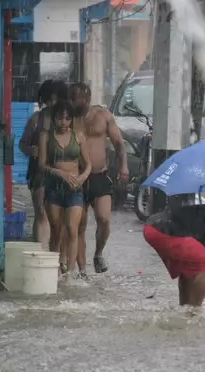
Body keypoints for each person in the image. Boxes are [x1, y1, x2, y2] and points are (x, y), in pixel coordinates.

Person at [69, 83, 129, 274]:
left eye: (75, 97)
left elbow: (119, 143)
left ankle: (98, 254)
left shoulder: (103, 116)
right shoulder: (68, 119)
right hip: (77, 177)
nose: (72, 101)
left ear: (86, 98)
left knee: (104, 219)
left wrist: (123, 167)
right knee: (79, 225)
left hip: (99, 176)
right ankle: (82, 271)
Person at [38, 100, 92, 280]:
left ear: (71, 120)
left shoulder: (79, 136)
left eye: (67, 119)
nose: (64, 122)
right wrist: (58, 172)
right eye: (60, 118)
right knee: (56, 230)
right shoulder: (46, 136)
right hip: (54, 188)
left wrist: (82, 177)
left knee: (72, 229)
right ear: (54, 119)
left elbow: (89, 164)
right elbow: (42, 165)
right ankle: (55, 270)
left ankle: (70, 272)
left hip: (74, 189)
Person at [18, 80, 69, 251]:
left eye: (57, 100)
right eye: (50, 100)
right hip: (39, 173)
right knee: (41, 212)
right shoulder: (35, 120)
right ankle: (39, 254)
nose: (53, 104)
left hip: (62, 172)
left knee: (59, 217)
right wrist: (30, 149)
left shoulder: (67, 121)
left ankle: (57, 256)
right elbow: (22, 144)